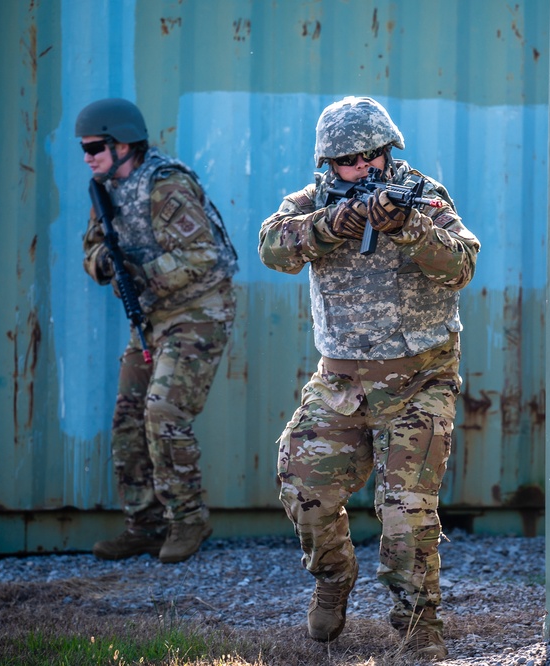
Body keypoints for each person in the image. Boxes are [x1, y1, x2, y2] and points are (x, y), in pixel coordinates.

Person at [258, 96, 480, 660]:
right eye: (349, 161)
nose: (363, 168)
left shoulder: (424, 197)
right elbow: (272, 247)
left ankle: (417, 629)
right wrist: (330, 224)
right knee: (303, 489)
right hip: (341, 384)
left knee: (406, 516)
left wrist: (411, 228)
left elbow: (462, 265)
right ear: (328, 165)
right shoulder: (311, 202)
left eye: (373, 156)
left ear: (389, 152)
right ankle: (333, 575)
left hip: (419, 382)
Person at [76, 98, 238, 564]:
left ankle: (188, 520)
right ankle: (144, 525)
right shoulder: (103, 189)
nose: (87, 157)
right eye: (84, 149)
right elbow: (92, 249)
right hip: (150, 318)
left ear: (122, 143)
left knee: (164, 411)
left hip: (198, 311)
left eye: (93, 147)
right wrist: (105, 262)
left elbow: (202, 257)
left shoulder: (166, 185)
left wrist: (141, 273)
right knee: (127, 419)